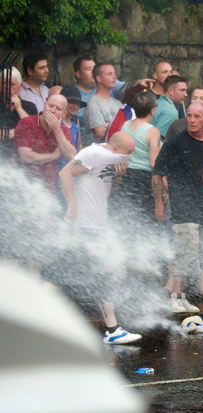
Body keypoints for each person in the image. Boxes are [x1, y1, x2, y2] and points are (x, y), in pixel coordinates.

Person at [58, 131, 142, 344]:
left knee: (64, 274)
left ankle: (112, 329)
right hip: (84, 225)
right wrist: (72, 204)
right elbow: (64, 174)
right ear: (115, 149)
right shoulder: (94, 153)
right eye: (128, 153)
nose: (130, 157)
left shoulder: (109, 157)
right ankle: (112, 330)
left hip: (96, 225)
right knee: (105, 272)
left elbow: (102, 182)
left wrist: (119, 176)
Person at [152, 103, 203, 314]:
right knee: (186, 254)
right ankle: (175, 297)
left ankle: (181, 297)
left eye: (197, 116)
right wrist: (160, 203)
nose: (191, 120)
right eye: (189, 115)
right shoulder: (175, 141)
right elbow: (157, 174)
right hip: (182, 207)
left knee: (197, 255)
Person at [109, 91, 161, 230]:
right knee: (146, 224)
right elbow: (153, 165)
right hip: (143, 180)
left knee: (125, 220)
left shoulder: (125, 125)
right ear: (152, 110)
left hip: (125, 175)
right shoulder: (153, 131)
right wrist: (159, 200)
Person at [14, 94, 76, 194]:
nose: (52, 110)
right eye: (50, 106)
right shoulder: (27, 122)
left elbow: (72, 156)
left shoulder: (63, 131)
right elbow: (25, 157)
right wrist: (54, 155)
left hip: (47, 191)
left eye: (58, 109)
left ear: (64, 114)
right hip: (21, 188)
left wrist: (56, 129)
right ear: (44, 105)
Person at [55, 87, 86, 201]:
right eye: (72, 102)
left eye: (78, 103)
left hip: (71, 170)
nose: (75, 106)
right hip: (56, 169)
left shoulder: (75, 121)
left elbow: (79, 146)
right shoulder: (56, 119)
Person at [82, 63, 123, 147]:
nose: (114, 77)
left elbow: (128, 128)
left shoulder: (118, 103)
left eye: (114, 74)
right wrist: (120, 124)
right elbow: (101, 133)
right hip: (97, 155)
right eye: (109, 74)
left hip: (115, 152)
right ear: (99, 78)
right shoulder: (93, 103)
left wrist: (108, 124)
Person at [0, 66, 38, 158]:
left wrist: (19, 108)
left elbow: (35, 132)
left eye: (12, 84)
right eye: (4, 83)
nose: (8, 88)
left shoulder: (29, 106)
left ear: (20, 86)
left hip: (22, 158)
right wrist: (21, 130)